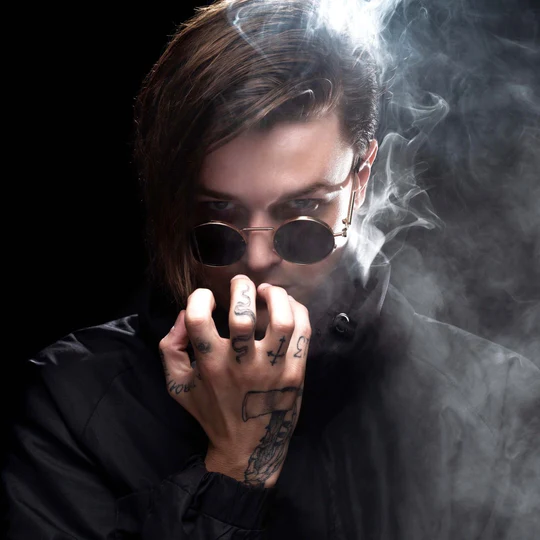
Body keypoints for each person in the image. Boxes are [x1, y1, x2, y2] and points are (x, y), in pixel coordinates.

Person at [2, 0, 538, 538]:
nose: (257, 259)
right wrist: (235, 470)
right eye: (219, 214)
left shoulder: (497, 403)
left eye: (301, 212)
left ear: (360, 181)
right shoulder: (74, 404)